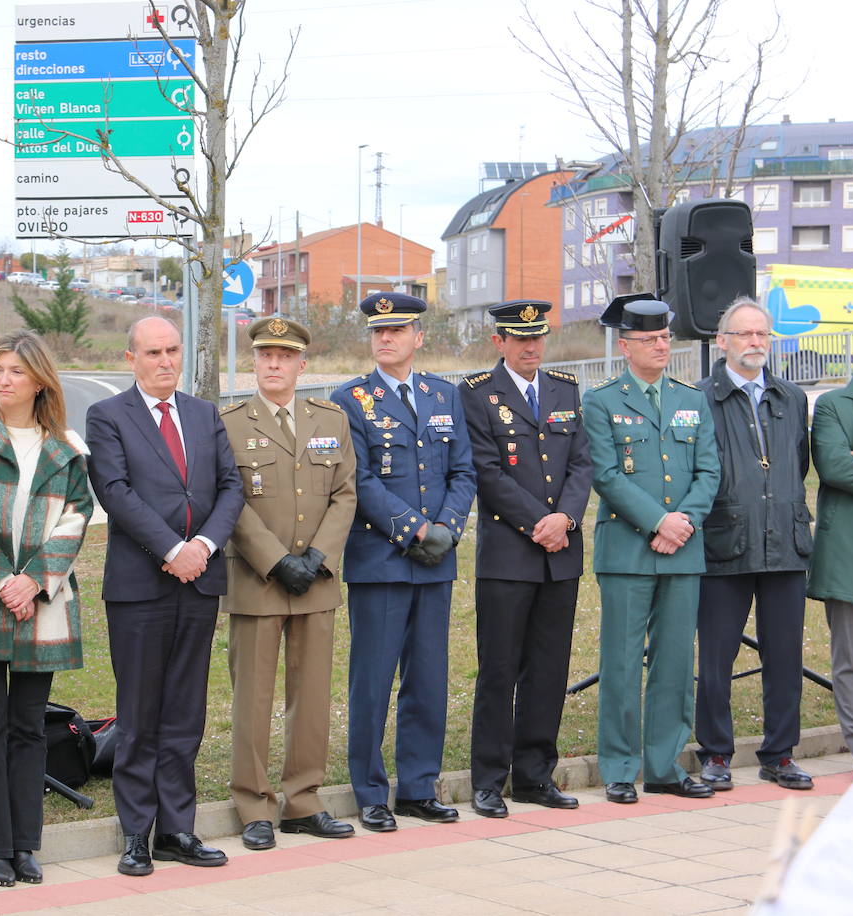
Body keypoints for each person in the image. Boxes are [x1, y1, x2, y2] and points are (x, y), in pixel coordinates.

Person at [85, 315, 245, 876]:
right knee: (139, 714)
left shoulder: (204, 414)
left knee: (184, 712)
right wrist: (172, 549)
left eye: (172, 350)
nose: (165, 361)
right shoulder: (107, 416)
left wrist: (202, 545)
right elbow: (115, 491)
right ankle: (136, 833)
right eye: (152, 352)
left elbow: (231, 486)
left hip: (199, 582)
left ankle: (177, 828)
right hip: (140, 587)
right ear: (131, 358)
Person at [0, 331, 94, 887]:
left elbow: (77, 516)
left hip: (42, 604)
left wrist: (34, 582)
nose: (4, 380)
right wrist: (3, 580)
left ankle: (25, 843)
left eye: (16, 372)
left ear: (39, 382)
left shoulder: (67, 448)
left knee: (29, 726)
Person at [329, 292, 476, 832]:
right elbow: (359, 478)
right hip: (381, 560)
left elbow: (462, 471)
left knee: (429, 678)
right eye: (377, 331)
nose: (385, 338)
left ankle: (418, 786)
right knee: (372, 681)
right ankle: (370, 791)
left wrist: (447, 529)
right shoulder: (351, 399)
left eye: (396, 330)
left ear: (419, 337)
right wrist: (414, 527)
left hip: (436, 560)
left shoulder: (444, 395)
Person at [219, 316, 358, 850]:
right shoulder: (230, 423)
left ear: (303, 364)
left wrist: (319, 555)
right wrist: (277, 562)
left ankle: (303, 801)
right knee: (253, 699)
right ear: (254, 362)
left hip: (316, 581)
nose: (274, 364)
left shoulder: (331, 419)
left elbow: (345, 493)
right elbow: (229, 499)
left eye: (284, 356)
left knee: (313, 696)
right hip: (258, 580)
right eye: (265, 356)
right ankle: (253, 804)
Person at [582, 294, 719, 805]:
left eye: (665, 337)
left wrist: (683, 522)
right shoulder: (601, 401)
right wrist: (659, 521)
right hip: (627, 550)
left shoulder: (691, 399)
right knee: (621, 661)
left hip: (683, 548)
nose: (661, 346)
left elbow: (709, 470)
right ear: (625, 346)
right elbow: (605, 475)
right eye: (650, 339)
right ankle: (620, 767)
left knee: (676, 662)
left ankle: (664, 766)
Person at [459, 300, 591, 818]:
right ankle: (489, 780)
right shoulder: (477, 394)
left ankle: (535, 776)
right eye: (520, 338)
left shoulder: (565, 389)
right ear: (500, 342)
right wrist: (542, 523)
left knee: (549, 668)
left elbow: (581, 463)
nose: (531, 346)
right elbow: (486, 472)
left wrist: (567, 519)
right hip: (509, 554)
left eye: (537, 337)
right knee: (500, 669)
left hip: (561, 554)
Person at [694, 297, 815, 791]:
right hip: (725, 542)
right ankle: (716, 754)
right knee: (716, 658)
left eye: (762, 333)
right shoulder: (699, 397)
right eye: (744, 333)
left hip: (785, 541)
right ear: (722, 341)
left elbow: (798, 463)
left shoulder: (792, 397)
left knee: (784, 657)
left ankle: (780, 754)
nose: (754, 342)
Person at [807, 322, 853, 779]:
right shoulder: (833, 404)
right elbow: (834, 466)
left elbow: (850, 463)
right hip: (850, 546)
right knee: (850, 655)